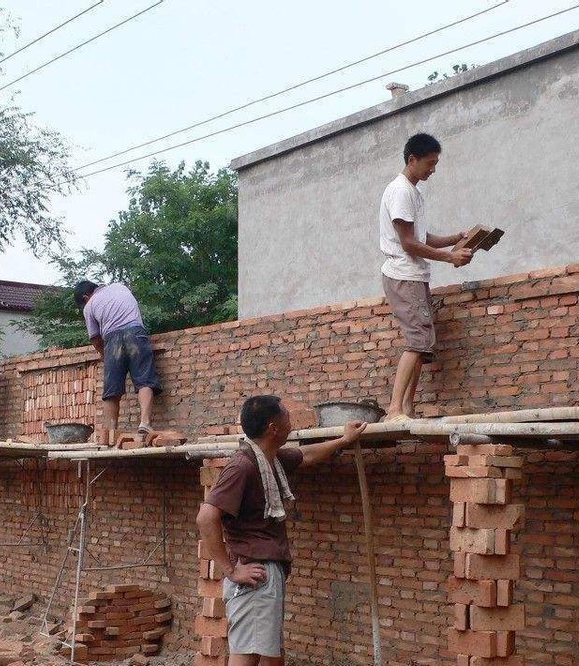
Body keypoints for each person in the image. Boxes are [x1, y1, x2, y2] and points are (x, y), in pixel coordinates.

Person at [196, 396, 366, 666]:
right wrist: (230, 570)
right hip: (254, 573)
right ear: (273, 428)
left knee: (271, 654)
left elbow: (306, 455)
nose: (292, 423)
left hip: (265, 573)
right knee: (247, 653)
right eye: (287, 417)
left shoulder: (269, 459)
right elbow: (206, 518)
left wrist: (344, 440)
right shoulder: (242, 466)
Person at [378, 133, 472, 422]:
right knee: (417, 340)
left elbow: (421, 237)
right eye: (430, 163)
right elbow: (409, 243)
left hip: (414, 276)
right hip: (403, 275)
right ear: (412, 160)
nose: (433, 169)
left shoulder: (413, 192)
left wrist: (455, 238)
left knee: (421, 344)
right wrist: (450, 257)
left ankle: (407, 409)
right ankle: (394, 409)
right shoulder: (400, 191)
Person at [74, 281, 162, 438]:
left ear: (86, 297)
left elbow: (95, 339)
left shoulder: (89, 306)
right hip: (136, 334)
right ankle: (145, 423)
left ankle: (110, 432)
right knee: (144, 380)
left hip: (113, 340)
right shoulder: (120, 287)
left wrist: (104, 355)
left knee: (112, 389)